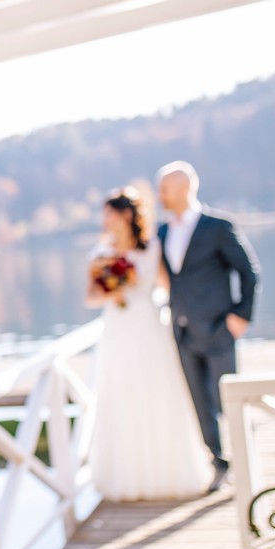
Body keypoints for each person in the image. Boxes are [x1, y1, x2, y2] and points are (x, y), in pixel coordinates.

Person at [86, 187, 212, 501]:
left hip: (148, 325)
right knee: (121, 393)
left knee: (158, 392)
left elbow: (168, 286)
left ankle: (168, 472)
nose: (105, 220)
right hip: (117, 328)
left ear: (126, 215)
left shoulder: (152, 247)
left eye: (109, 214)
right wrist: (111, 291)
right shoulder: (100, 254)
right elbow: (90, 297)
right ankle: (127, 477)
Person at [157, 161, 260, 492]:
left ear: (184, 188)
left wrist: (240, 316)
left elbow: (248, 271)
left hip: (218, 328)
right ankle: (217, 463)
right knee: (200, 402)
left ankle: (246, 462)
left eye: (165, 189)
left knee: (227, 398)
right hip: (183, 331)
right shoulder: (162, 232)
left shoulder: (218, 226)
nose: (160, 195)